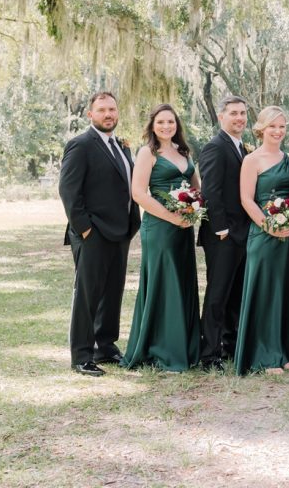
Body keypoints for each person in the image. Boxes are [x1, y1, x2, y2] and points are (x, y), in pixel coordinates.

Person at [58, 91, 141, 376]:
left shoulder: (121, 146)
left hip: (120, 231)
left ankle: (105, 346)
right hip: (92, 233)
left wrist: (132, 224)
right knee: (88, 294)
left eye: (113, 109)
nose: (109, 114)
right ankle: (81, 355)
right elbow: (69, 191)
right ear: (90, 114)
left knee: (112, 292)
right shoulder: (81, 145)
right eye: (102, 110)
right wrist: (85, 229)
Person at [122, 104, 201, 371]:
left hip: (183, 227)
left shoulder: (183, 152)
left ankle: (185, 345)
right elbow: (139, 194)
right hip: (160, 227)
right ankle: (160, 347)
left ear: (177, 125)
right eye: (161, 122)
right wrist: (172, 216)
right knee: (163, 283)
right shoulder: (147, 153)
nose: (166, 126)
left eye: (171, 122)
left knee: (182, 281)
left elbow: (196, 187)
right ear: (152, 125)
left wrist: (193, 208)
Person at [234, 106, 289, 374]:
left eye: (282, 127)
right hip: (263, 235)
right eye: (272, 126)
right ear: (261, 129)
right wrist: (269, 226)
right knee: (266, 293)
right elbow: (246, 200)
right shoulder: (252, 160)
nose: (277, 131)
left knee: (285, 291)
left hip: (287, 235)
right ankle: (265, 355)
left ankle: (285, 351)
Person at [197, 95, 249, 373]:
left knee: (234, 295)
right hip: (222, 235)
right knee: (217, 296)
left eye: (242, 113)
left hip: (242, 234)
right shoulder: (215, 147)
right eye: (233, 113)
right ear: (221, 117)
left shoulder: (241, 148)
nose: (239, 118)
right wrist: (222, 229)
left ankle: (228, 346)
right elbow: (211, 192)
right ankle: (209, 354)